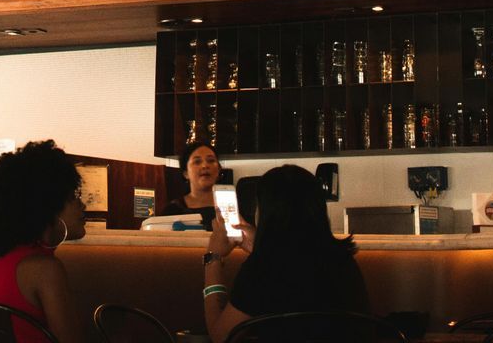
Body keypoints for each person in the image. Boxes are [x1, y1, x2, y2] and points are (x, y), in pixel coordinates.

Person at [200, 165, 368, 339]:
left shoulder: (262, 269)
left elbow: (221, 336)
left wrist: (213, 257)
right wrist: (260, 246)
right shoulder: (342, 259)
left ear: (265, 212)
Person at [0, 140, 90, 343]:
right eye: (73, 196)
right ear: (46, 206)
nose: (82, 204)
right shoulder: (46, 270)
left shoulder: (0, 267)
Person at [158, 141, 222, 229]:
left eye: (211, 160)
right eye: (197, 162)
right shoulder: (173, 210)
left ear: (218, 169)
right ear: (185, 173)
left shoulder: (233, 206)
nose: (205, 165)